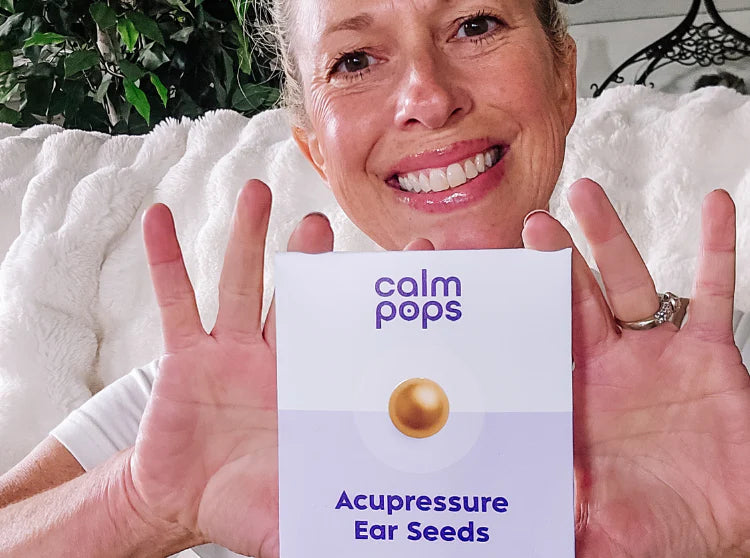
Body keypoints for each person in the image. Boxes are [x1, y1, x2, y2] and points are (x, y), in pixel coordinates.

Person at [1, 0, 749, 556]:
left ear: (563, 80)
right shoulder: (208, 399)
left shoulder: (719, 387)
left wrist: (730, 534)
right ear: (315, 149)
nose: (429, 97)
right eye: (354, 61)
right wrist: (138, 503)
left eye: (475, 25)